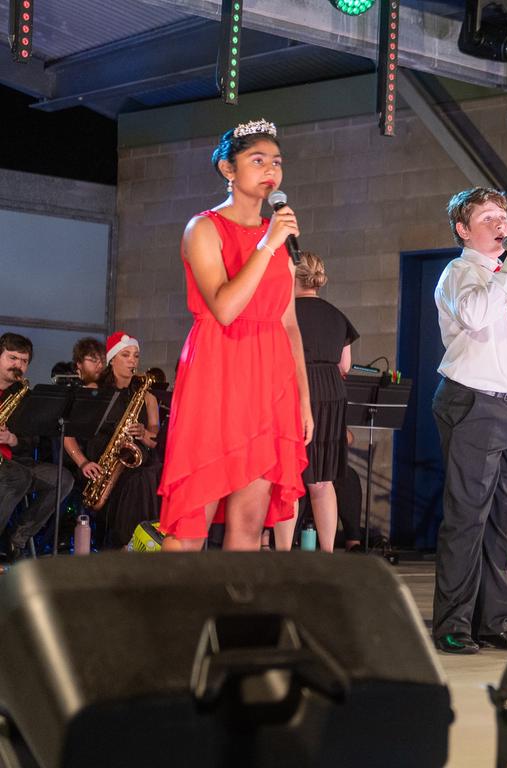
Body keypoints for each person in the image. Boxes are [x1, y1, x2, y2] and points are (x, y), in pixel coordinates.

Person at [158, 118, 312, 552]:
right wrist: (266, 246)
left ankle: (229, 618)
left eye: (276, 163)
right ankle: (165, 617)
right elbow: (224, 307)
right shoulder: (203, 228)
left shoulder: (278, 238)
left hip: (269, 380)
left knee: (249, 524)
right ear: (228, 169)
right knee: (192, 517)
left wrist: (302, 398)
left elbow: (288, 324)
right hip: (217, 370)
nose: (270, 171)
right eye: (257, 160)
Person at [431, 187, 507, 655]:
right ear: (463, 229)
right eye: (488, 218)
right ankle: (452, 623)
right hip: (472, 401)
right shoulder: (459, 273)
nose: (500, 224)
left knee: (501, 522)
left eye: (502, 216)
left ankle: (493, 621)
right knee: (467, 517)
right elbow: (476, 317)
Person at [273, 251, 359, 552]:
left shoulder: (285, 313)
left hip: (296, 390)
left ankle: (283, 552)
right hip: (332, 393)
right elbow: (345, 365)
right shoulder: (337, 315)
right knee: (322, 481)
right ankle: (327, 552)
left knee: (290, 479)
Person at [64, 332, 162, 549]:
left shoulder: (148, 397)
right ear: (112, 359)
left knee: (147, 475)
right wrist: (82, 462)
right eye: (125, 355)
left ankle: (138, 544)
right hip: (103, 465)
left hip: (138, 463)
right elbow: (67, 434)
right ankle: (126, 545)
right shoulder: (94, 392)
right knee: (140, 480)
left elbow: (155, 440)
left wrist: (144, 433)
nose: (132, 361)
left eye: (136, 356)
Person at [0, 333, 74, 561]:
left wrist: (13, 439)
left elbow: (32, 441)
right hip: (11, 471)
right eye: (12, 358)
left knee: (62, 478)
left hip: (14, 460)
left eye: (24, 361)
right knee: (17, 476)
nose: (18, 366)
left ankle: (15, 540)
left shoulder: (26, 397)